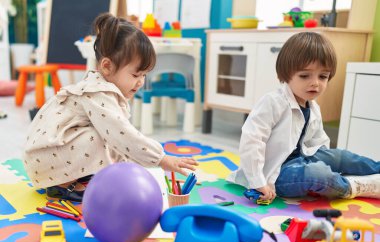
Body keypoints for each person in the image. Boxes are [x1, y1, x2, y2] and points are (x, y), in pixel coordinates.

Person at [23, 13, 198, 202]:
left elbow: (122, 142)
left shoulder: (100, 85)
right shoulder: (99, 93)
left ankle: (75, 175)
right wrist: (161, 159)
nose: (140, 82)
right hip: (46, 159)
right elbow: (122, 135)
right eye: (135, 74)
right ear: (107, 66)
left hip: (46, 155)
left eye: (144, 75)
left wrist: (134, 171)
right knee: (107, 134)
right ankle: (63, 186)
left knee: (108, 133)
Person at [227, 32, 380, 201]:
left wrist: (328, 161)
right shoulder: (273, 102)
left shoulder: (313, 107)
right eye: (305, 76)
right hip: (276, 174)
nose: (315, 82)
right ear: (286, 75)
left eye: (323, 76)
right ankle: (355, 186)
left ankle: (376, 169)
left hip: (303, 159)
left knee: (340, 156)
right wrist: (258, 181)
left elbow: (318, 142)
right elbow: (252, 141)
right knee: (317, 174)